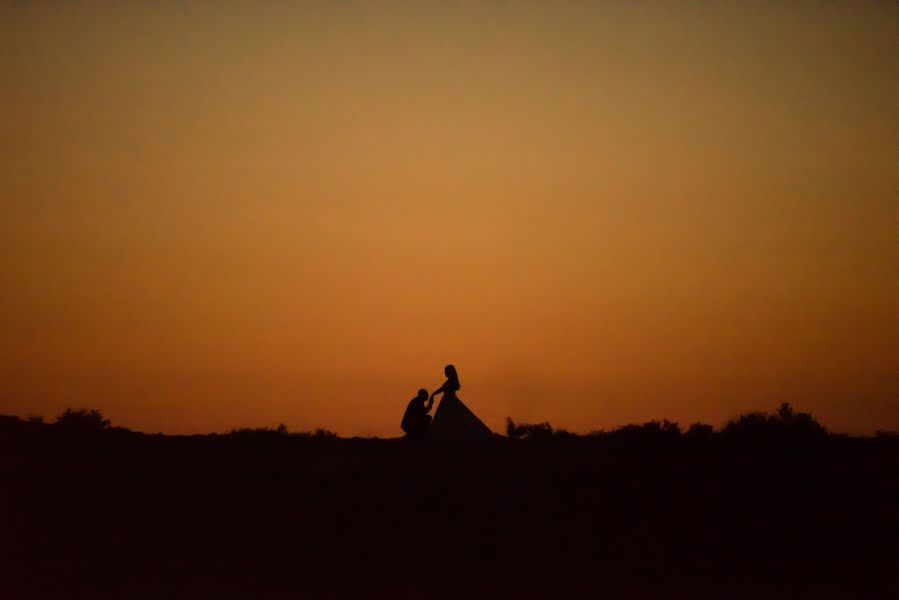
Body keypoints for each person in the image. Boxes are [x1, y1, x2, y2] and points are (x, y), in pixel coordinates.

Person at [429, 364, 493, 440]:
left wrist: (434, 394)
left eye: (446, 371)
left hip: (448, 401)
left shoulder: (451, 381)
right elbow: (442, 389)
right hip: (448, 400)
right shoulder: (450, 381)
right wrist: (434, 394)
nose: (445, 373)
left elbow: (443, 389)